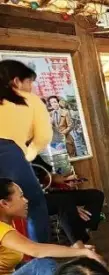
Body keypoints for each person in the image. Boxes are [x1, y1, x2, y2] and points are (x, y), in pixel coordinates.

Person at [0, 179, 104, 275]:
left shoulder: (8, 226)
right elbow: (36, 250)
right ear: (4, 203)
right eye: (21, 196)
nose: (26, 200)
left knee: (50, 268)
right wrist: (82, 251)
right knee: (41, 265)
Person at [0, 60, 52, 243]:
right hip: (8, 152)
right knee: (34, 203)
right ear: (16, 81)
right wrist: (28, 155)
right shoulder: (30, 100)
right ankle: (41, 255)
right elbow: (43, 137)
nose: (31, 87)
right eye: (29, 82)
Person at [32, 155, 105, 244]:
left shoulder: (32, 154)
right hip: (35, 199)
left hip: (48, 193)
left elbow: (47, 177)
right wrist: (72, 207)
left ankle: (81, 229)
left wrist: (66, 180)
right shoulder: (17, 162)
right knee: (65, 202)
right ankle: (79, 243)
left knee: (96, 195)